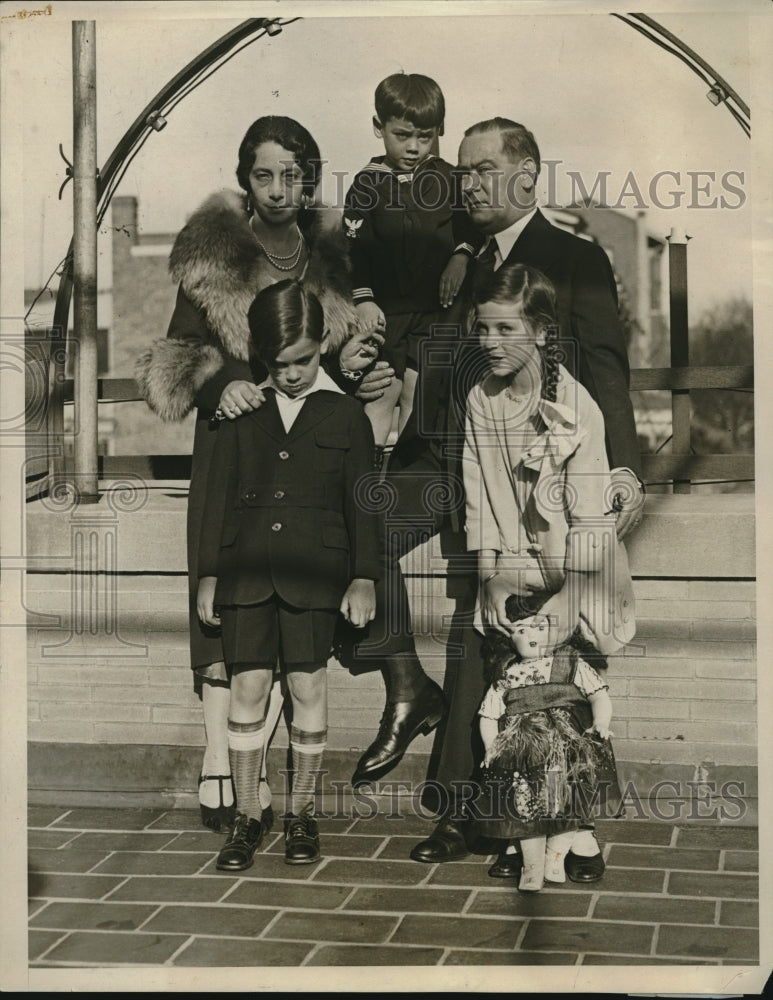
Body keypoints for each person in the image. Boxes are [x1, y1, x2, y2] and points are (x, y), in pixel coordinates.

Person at [401, 118, 645, 881]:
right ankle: (467, 799)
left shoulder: (572, 256)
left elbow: (603, 366)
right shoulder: (467, 259)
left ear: (527, 174)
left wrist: (622, 471)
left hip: (558, 480)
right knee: (480, 636)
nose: (467, 183)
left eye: (482, 170)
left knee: (544, 666)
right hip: (469, 469)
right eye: (463, 171)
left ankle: (540, 823)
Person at [135, 116, 378, 833]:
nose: (278, 189)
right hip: (235, 440)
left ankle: (273, 771)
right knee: (229, 608)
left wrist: (354, 360)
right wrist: (222, 386)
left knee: (297, 617)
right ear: (245, 178)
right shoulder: (212, 255)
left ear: (309, 180)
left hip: (307, 447)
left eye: (292, 176)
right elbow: (175, 359)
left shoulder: (332, 255)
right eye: (264, 174)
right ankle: (221, 759)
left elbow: (338, 351)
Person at [196, 280, 381, 871]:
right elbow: (218, 497)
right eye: (279, 365)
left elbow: (363, 504)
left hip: (315, 575)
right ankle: (248, 814)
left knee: (308, 687)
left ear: (323, 342)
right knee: (247, 689)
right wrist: (209, 575)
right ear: (261, 356)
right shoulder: (242, 411)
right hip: (245, 573)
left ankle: (302, 812)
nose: (293, 374)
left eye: (302, 360)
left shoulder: (346, 415)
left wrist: (364, 576)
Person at [342, 72, 483, 467]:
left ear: (439, 131)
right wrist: (364, 300)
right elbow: (353, 249)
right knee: (381, 392)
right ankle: (364, 481)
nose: (414, 147)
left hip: (435, 311)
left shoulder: (449, 177)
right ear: (379, 127)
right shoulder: (366, 184)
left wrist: (461, 256)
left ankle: (405, 482)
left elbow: (471, 225)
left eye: (425, 136)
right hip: (386, 312)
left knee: (417, 397)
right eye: (402, 135)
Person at [475, 593, 621, 893]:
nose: (532, 635)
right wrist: (492, 746)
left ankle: (561, 850)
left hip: (563, 749)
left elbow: (598, 695)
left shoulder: (570, 662)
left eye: (541, 627)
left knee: (562, 797)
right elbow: (488, 715)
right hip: (524, 753)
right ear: (508, 638)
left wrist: (601, 722)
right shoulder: (506, 675)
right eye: (521, 629)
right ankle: (528, 856)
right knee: (525, 799)